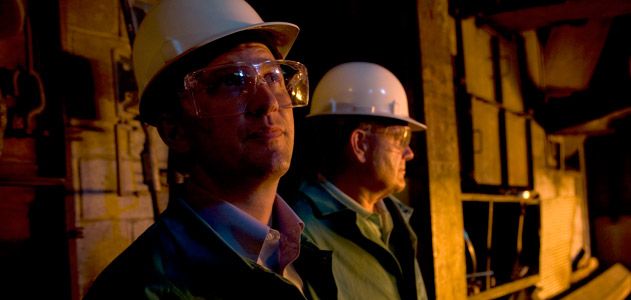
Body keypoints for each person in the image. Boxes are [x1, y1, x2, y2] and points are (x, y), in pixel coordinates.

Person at [83, 0, 335, 299]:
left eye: (272, 77)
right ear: (174, 130)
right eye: (232, 80)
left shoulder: (301, 254)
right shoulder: (137, 290)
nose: (267, 101)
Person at [290, 62, 429, 300]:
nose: (409, 153)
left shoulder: (394, 219)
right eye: (400, 137)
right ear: (360, 144)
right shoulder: (302, 237)